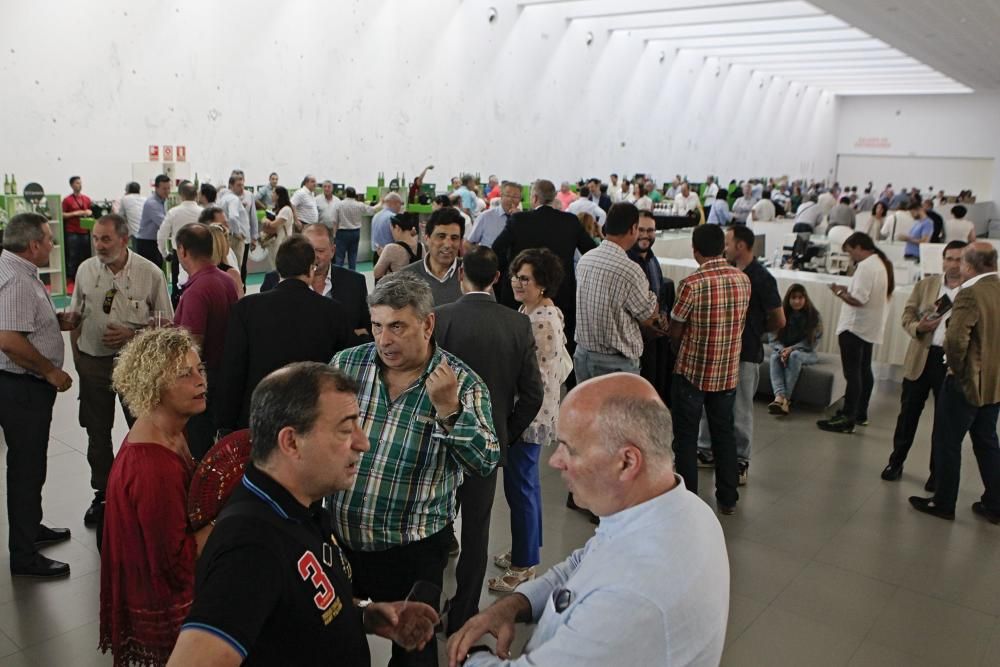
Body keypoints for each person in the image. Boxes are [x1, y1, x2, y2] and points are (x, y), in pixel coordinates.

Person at [447, 374, 729, 667]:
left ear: (627, 462)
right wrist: (516, 604)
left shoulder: (632, 601)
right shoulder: (678, 507)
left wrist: (468, 655)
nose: (555, 461)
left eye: (569, 448)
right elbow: (584, 560)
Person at [168, 363, 438, 666]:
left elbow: (292, 602)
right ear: (292, 442)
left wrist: (362, 615)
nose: (363, 443)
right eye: (346, 429)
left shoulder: (296, 507)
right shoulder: (250, 548)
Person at [329, 272, 498, 666]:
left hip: (414, 549)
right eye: (377, 326)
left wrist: (450, 412)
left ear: (428, 324)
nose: (384, 340)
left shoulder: (462, 384)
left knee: (414, 651)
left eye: (397, 327)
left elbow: (485, 461)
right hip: (340, 543)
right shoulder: (347, 365)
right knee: (336, 643)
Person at [433, 246, 544, 632]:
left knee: (433, 525)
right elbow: (533, 393)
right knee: (477, 529)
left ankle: (427, 605)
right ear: (498, 278)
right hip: (487, 443)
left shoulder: (441, 319)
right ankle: (464, 610)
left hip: (440, 440)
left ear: (461, 273)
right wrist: (506, 434)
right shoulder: (516, 325)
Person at [99, 328, 206, 667]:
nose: (200, 380)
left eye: (199, 369)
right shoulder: (153, 466)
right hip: (164, 607)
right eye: (184, 374)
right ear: (153, 386)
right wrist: (228, 512)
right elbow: (175, 563)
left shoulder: (169, 430)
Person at [70, 214, 173, 527]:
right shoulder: (86, 270)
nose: (99, 246)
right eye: (96, 239)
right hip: (94, 364)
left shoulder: (149, 272)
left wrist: (132, 334)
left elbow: (166, 324)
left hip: (136, 368)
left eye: (106, 239)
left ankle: (143, 491)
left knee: (141, 432)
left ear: (124, 240)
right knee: (97, 432)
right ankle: (102, 494)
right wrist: (78, 361)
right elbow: (75, 316)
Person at [492, 248, 572, 593]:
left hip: (528, 416)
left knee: (520, 488)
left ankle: (524, 566)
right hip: (535, 411)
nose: (516, 283)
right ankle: (527, 549)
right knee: (528, 486)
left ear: (542, 284)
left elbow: (534, 379)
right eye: (514, 276)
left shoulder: (539, 321)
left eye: (525, 278)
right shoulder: (534, 310)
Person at [0, 213, 75, 578]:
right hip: (22, 386)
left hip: (21, 385)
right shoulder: (16, 278)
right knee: (27, 469)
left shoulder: (16, 268)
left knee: (31, 465)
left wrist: (55, 322)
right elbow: (9, 339)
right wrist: (50, 370)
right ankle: (24, 554)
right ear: (33, 245)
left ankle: (31, 528)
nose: (51, 244)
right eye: (48, 238)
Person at [218, 236, 350, 432]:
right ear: (310, 269)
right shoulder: (333, 312)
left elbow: (233, 370)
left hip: (257, 418)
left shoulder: (246, 309)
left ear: (278, 269)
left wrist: (225, 423)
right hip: (311, 419)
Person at [910, 242, 1000, 524]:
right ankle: (995, 504)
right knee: (987, 443)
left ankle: (943, 501)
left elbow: (955, 339)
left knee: (948, 441)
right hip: (994, 383)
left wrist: (958, 371)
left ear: (969, 266)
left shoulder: (970, 294)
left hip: (966, 382)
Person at [669, 224, 750, 514]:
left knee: (687, 439)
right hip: (727, 373)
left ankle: (689, 502)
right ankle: (728, 497)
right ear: (722, 248)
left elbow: (676, 326)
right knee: (723, 434)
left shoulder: (693, 283)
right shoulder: (743, 280)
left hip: (693, 371)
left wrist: (677, 349)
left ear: (695, 250)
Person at [696, 225, 783, 486]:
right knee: (710, 401)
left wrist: (754, 331)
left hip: (745, 353)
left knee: (741, 406)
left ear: (741, 246)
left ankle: (740, 459)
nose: (725, 247)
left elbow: (779, 318)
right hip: (721, 349)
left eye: (728, 242)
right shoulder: (729, 273)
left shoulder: (762, 278)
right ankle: (706, 449)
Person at [882, 241, 967, 487]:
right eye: (949, 258)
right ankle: (895, 462)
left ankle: (936, 473)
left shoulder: (972, 291)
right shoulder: (926, 285)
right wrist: (917, 327)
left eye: (959, 259)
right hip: (921, 356)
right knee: (908, 414)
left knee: (944, 421)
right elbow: (906, 315)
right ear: (942, 260)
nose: (953, 264)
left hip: (950, 363)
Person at [493, 179, 597, 364]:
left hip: (521, 294)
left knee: (516, 348)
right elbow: (591, 250)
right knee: (557, 349)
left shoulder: (519, 220)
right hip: (559, 293)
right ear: (554, 197)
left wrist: (510, 274)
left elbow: (496, 248)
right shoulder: (570, 221)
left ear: (534, 197)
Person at [173, 223, 239, 458]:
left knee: (199, 449)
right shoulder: (225, 280)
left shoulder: (197, 290)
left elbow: (193, 344)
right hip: (223, 378)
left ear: (182, 251)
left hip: (202, 383)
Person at [818, 233, 894, 433]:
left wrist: (839, 293)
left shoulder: (866, 267)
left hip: (854, 327)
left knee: (852, 374)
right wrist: (847, 288)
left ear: (859, 247)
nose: (850, 257)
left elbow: (858, 299)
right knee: (863, 370)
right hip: (868, 327)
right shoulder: (879, 264)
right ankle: (860, 413)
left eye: (850, 251)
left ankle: (847, 417)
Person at [574, 203, 658, 382]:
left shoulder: (586, 259)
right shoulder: (630, 270)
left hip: (583, 355)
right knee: (619, 411)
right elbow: (648, 317)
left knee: (586, 409)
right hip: (616, 364)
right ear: (633, 229)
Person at [629, 210, 675, 406]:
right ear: (632, 230)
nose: (646, 235)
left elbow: (659, 296)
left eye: (651, 230)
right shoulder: (627, 261)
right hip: (633, 342)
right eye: (641, 230)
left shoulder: (653, 260)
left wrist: (663, 314)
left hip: (652, 340)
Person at [767, 283, 823, 415]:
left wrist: (791, 349)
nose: (797, 301)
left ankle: (786, 399)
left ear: (805, 298)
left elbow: (812, 343)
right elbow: (773, 338)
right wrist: (782, 350)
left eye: (800, 297)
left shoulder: (814, 316)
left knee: (795, 356)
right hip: (785, 350)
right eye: (793, 297)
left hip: (806, 352)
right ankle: (779, 397)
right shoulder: (781, 313)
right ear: (788, 299)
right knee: (775, 357)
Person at [401, 207, 465, 306]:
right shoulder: (406, 277)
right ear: (427, 238)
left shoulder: (472, 274)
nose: (448, 245)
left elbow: (488, 314)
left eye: (454, 238)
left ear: (460, 242)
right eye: (441, 236)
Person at [158, 181, 203, 296]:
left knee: (177, 289)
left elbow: (162, 235)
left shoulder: (173, 212)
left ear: (181, 195)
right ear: (196, 194)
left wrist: (165, 253)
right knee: (199, 286)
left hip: (178, 255)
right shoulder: (203, 213)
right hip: (200, 255)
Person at [333, 186, 381, 270]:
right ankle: (353, 275)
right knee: (353, 256)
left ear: (345, 194)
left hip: (342, 232)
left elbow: (334, 221)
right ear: (355, 195)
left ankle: (338, 276)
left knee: (340, 256)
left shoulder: (339, 204)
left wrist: (334, 234)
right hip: (355, 232)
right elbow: (372, 210)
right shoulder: (359, 205)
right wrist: (381, 202)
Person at [218, 174, 253, 280]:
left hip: (227, 235)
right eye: (238, 185)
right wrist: (237, 233)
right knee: (236, 267)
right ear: (231, 185)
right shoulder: (233, 199)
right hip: (235, 238)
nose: (242, 188)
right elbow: (233, 217)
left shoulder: (223, 198)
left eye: (243, 185)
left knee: (228, 265)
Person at [62, 175, 94, 281]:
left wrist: (89, 212)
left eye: (80, 183)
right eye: (77, 183)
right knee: (73, 255)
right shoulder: (67, 200)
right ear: (71, 185)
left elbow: (91, 212)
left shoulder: (87, 199)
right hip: (72, 231)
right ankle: (71, 277)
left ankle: (85, 275)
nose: (79, 185)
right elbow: (62, 215)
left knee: (85, 254)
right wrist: (76, 213)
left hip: (85, 231)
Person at [134, 174, 171, 268]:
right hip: (147, 244)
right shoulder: (152, 203)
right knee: (149, 275)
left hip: (154, 242)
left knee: (156, 273)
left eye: (168, 188)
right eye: (164, 189)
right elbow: (163, 223)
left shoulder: (162, 201)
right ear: (156, 188)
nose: (167, 191)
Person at [375, 214, 422, 281]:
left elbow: (377, 274)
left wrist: (382, 256)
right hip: (417, 288)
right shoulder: (421, 246)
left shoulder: (391, 248)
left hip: (397, 289)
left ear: (397, 228)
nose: (392, 234)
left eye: (392, 230)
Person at [259, 185, 297, 270]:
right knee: (274, 267)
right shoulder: (276, 209)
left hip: (282, 243)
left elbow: (274, 224)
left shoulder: (286, 210)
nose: (271, 195)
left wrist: (266, 221)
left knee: (281, 267)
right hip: (274, 242)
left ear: (278, 195)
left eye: (273, 193)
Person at [207, 223, 245, 299]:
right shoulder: (232, 274)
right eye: (228, 240)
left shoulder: (197, 271)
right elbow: (241, 304)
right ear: (224, 245)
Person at [372, 192, 404, 257]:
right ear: (395, 203)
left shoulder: (376, 215)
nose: (400, 207)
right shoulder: (393, 217)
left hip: (376, 252)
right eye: (400, 204)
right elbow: (399, 238)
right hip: (388, 255)